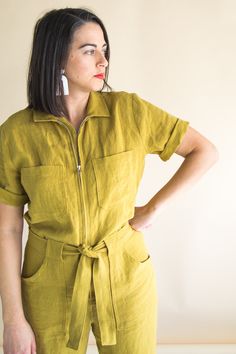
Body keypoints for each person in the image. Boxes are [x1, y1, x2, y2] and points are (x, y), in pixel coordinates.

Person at [0, 7, 219, 354]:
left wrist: (152, 209)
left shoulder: (129, 112)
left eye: (105, 49)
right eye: (89, 50)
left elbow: (204, 151)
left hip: (125, 277)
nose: (103, 60)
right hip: (48, 285)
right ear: (56, 57)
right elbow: (8, 229)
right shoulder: (16, 133)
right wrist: (12, 319)